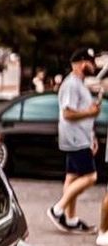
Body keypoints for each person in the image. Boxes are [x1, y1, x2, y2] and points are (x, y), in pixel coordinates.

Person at [47, 48, 100, 233]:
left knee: (72, 178)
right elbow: (68, 113)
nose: (93, 66)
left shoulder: (80, 84)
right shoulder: (71, 85)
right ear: (81, 63)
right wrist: (90, 112)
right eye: (91, 62)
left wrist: (91, 136)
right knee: (91, 177)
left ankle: (70, 220)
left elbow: (82, 114)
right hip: (75, 138)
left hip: (81, 137)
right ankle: (58, 209)